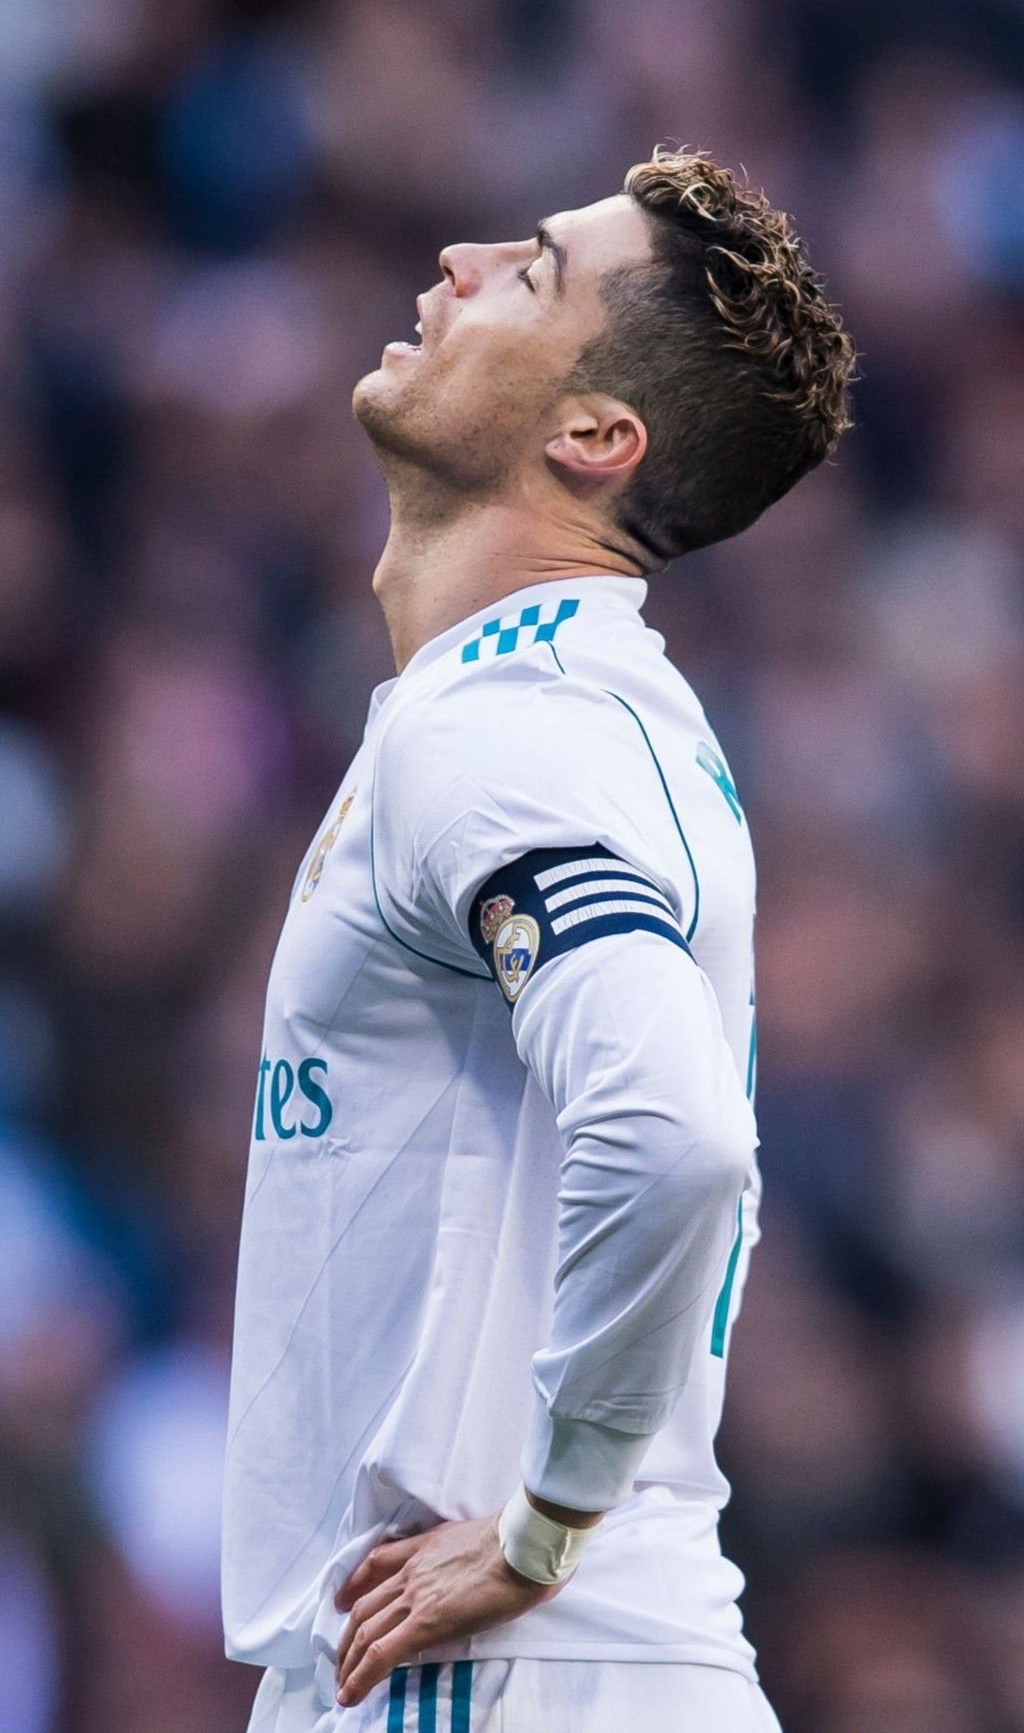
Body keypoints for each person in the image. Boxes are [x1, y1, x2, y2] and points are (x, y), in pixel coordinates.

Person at [221, 146, 855, 1732]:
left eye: (532, 273)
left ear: (593, 437)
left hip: (503, 1670)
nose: (455, 256)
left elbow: (679, 1139)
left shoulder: (513, 727)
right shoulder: (568, 711)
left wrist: (544, 1522)